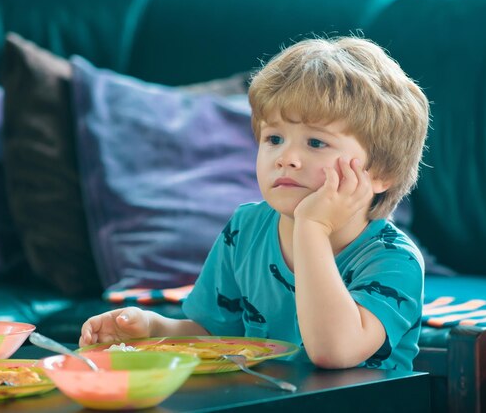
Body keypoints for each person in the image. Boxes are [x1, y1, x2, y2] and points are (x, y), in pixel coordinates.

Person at [79, 36, 430, 371]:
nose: (286, 158)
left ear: (381, 172)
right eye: (274, 138)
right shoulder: (245, 229)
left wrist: (312, 227)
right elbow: (217, 335)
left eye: (316, 143)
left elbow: (333, 351)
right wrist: (155, 329)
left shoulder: (394, 260)